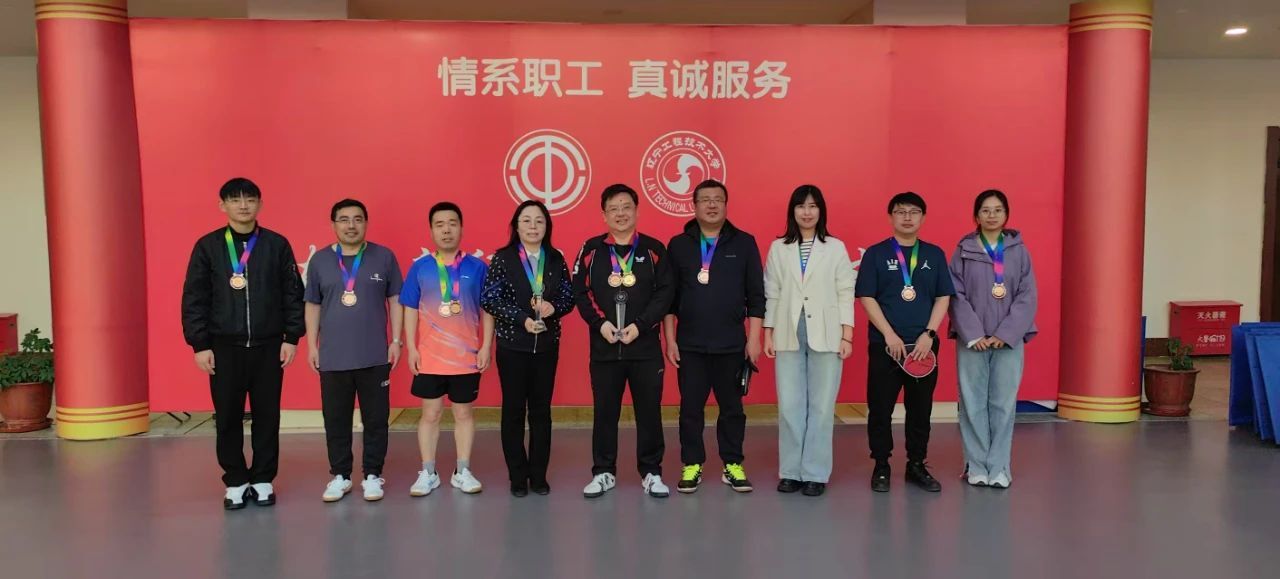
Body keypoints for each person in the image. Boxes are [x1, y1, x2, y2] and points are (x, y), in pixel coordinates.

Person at [181, 177, 305, 510]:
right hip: (224, 347)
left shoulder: (276, 244)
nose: (243, 205)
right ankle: (235, 480)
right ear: (222, 206)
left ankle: (263, 478)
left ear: (260, 204)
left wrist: (292, 337)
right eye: (235, 200)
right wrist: (200, 344)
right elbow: (195, 297)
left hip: (269, 346)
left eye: (250, 199)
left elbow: (293, 293)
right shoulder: (208, 246)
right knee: (227, 417)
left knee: (268, 416)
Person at [573, 184, 675, 499]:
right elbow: (580, 291)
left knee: (649, 413)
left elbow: (665, 293)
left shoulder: (654, 249)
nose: (620, 213)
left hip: (645, 349)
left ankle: (652, 472)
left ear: (636, 211)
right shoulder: (591, 250)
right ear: (604, 215)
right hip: (605, 349)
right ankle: (603, 472)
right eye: (613, 208)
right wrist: (600, 323)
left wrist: (640, 326)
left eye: (626, 206)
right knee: (605, 413)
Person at [663, 179, 764, 494]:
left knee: (732, 409)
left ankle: (732, 464)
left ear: (725, 204)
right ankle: (692, 464)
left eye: (717, 199)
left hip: (731, 344)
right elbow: (668, 299)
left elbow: (756, 297)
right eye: (705, 199)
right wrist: (670, 340)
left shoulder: (744, 243)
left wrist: (754, 339)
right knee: (690, 410)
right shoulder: (678, 245)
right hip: (690, 345)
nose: (711, 205)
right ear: (693, 206)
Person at [304, 199, 404, 502]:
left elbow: (395, 300)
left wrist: (396, 341)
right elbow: (313, 304)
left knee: (376, 419)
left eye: (358, 219)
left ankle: (373, 474)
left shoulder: (384, 257)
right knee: (336, 419)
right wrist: (311, 345)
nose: (351, 225)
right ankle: (341, 475)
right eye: (344, 219)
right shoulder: (320, 260)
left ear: (366, 223)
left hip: (375, 355)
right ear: (333, 224)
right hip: (333, 356)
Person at [855, 191, 954, 493]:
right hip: (886, 346)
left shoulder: (934, 255)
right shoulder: (876, 254)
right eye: (900, 212)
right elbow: (867, 296)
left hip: (923, 347)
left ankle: (916, 465)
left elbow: (943, 297)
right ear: (890, 217)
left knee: (920, 409)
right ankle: (881, 465)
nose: (907, 217)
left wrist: (929, 334)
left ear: (923, 217)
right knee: (880, 409)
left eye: (914, 212)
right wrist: (888, 333)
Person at [763, 185, 855, 497]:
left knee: (822, 405)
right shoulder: (779, 248)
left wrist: (847, 334)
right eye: (801, 206)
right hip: (787, 330)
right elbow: (772, 291)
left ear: (821, 211)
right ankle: (791, 471)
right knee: (789, 405)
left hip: (827, 332)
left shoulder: (835, 247)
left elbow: (845, 291)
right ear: (792, 211)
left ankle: (815, 472)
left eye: (813, 206)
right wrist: (768, 332)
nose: (807, 212)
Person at [480, 200, 575, 497]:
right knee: (513, 412)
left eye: (539, 221)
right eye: (526, 221)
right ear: (516, 226)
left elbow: (569, 297)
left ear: (547, 226)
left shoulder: (555, 259)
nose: (533, 226)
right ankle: (517, 476)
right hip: (512, 347)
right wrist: (522, 318)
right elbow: (490, 299)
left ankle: (539, 475)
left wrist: (553, 307)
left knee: (541, 412)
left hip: (546, 347)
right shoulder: (503, 258)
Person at [400, 202, 494, 496]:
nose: (446, 230)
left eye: (452, 223)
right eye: (439, 224)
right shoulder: (420, 267)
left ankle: (462, 470)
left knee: (464, 414)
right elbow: (410, 308)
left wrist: (486, 346)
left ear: (461, 228)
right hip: (429, 357)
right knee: (430, 414)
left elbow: (488, 310)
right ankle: (428, 472)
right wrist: (411, 347)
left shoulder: (478, 267)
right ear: (431, 231)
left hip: (466, 357)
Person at [948, 189, 1037, 489]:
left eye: (998, 210)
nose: (992, 215)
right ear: (976, 216)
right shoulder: (963, 250)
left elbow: (1027, 296)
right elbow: (955, 295)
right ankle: (976, 466)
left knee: (1003, 403)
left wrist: (1004, 334)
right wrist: (974, 334)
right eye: (985, 210)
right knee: (972, 403)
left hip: (1008, 341)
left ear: (1006, 214)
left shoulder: (1019, 251)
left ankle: (999, 468)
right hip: (972, 341)